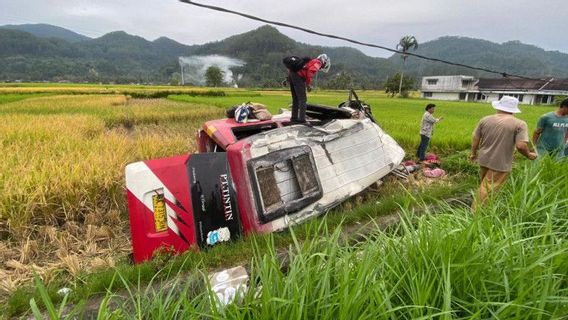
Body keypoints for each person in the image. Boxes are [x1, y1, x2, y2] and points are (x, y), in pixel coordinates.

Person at [469, 96, 537, 208]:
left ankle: (483, 208)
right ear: (513, 109)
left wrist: (473, 153)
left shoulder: (485, 119)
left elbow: (475, 138)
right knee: (488, 188)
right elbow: (520, 146)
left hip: (484, 158)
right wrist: (529, 155)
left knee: (484, 185)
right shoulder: (519, 124)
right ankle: (476, 214)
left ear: (499, 106)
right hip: (500, 162)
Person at [285, 54, 330, 124]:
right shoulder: (317, 62)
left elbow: (295, 70)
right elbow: (310, 72)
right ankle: (302, 120)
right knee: (303, 99)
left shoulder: (310, 61)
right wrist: (308, 85)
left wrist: (288, 79)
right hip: (298, 76)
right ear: (324, 61)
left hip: (292, 75)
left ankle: (294, 118)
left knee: (295, 99)